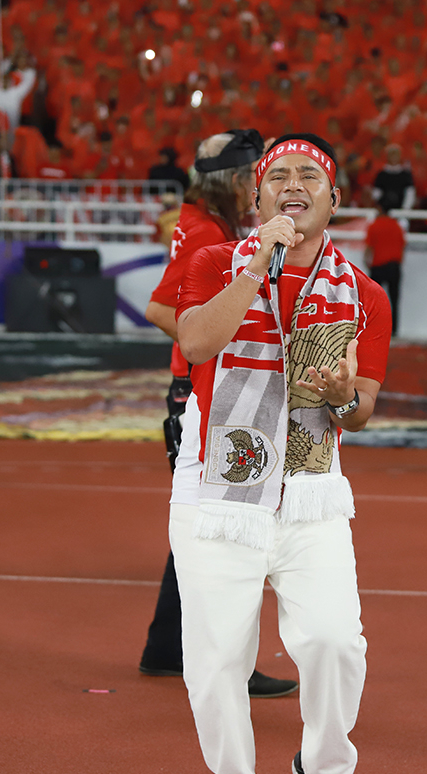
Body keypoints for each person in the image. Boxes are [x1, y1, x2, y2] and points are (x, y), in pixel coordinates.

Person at [172, 132, 391, 774]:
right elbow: (198, 342)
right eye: (278, 176)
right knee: (215, 659)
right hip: (218, 489)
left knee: (336, 642)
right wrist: (257, 266)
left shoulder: (365, 293)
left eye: (310, 175)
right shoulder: (212, 261)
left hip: (310, 488)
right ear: (257, 196)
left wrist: (341, 398)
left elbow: (362, 409)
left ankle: (326, 769)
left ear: (334, 197)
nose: (293, 185)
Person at [138, 128, 298, 700]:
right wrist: (207, 343)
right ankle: (229, 660)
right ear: (233, 182)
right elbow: (162, 308)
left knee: (199, 522)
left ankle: (165, 647)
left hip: (193, 390)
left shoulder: (201, 224)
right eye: (255, 179)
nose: (261, 190)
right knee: (234, 525)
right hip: (205, 393)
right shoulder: (207, 233)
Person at [364, 197, 405, 334]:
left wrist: (367, 262)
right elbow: (402, 245)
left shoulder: (374, 225)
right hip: (394, 265)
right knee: (394, 299)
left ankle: (374, 328)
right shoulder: (397, 226)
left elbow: (369, 248)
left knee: (374, 301)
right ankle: (394, 330)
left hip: (378, 266)